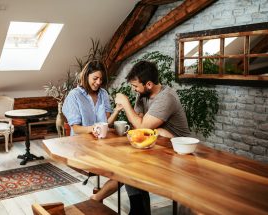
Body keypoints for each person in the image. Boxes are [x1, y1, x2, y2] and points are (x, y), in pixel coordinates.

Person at [114, 60, 190, 215]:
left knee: (133, 162)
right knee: (129, 160)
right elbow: (139, 126)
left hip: (179, 152)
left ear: (148, 84)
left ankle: (139, 209)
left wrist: (125, 103)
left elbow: (142, 127)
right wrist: (156, 130)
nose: (134, 90)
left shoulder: (166, 97)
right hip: (158, 146)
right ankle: (139, 208)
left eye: (136, 86)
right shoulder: (143, 94)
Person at [62, 60, 122, 202]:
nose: (98, 82)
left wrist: (117, 110)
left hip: (102, 145)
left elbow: (106, 123)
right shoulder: (74, 95)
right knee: (120, 172)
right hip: (81, 146)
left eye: (101, 79)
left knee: (125, 171)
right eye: (95, 78)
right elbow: (75, 128)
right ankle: (97, 198)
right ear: (86, 76)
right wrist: (92, 129)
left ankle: (97, 198)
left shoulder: (103, 94)